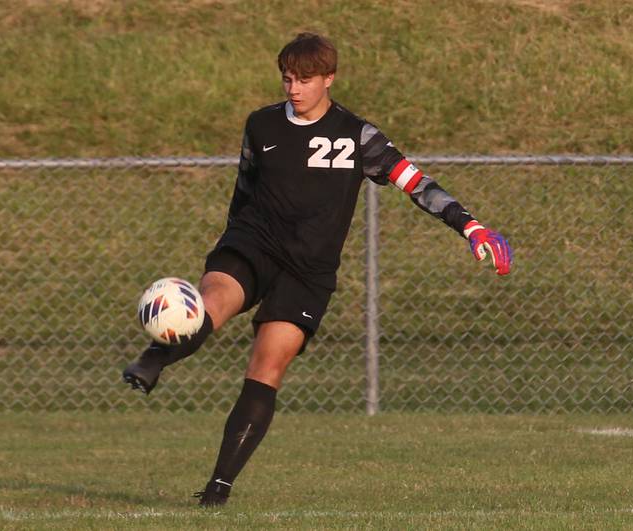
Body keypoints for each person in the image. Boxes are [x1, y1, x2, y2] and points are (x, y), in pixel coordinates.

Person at [123, 32, 512, 507]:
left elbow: (417, 183)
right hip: (254, 245)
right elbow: (243, 191)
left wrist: (470, 228)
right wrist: (230, 244)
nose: (294, 89)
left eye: (305, 80)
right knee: (213, 303)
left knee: (266, 367)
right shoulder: (261, 125)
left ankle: (217, 490)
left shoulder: (357, 135)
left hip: (308, 271)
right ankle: (154, 359)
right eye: (287, 79)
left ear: (329, 78)